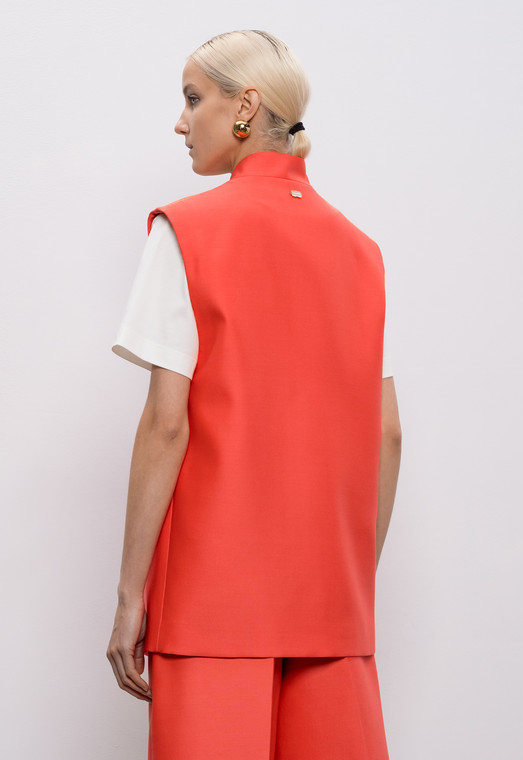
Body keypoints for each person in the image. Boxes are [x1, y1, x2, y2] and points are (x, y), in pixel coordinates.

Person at [107, 29, 402, 760]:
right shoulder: (362, 252)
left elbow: (166, 424)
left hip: (210, 605)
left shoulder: (186, 231)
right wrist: (348, 583)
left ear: (245, 107)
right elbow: (387, 433)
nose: (181, 122)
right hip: (331, 606)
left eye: (193, 99)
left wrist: (130, 595)